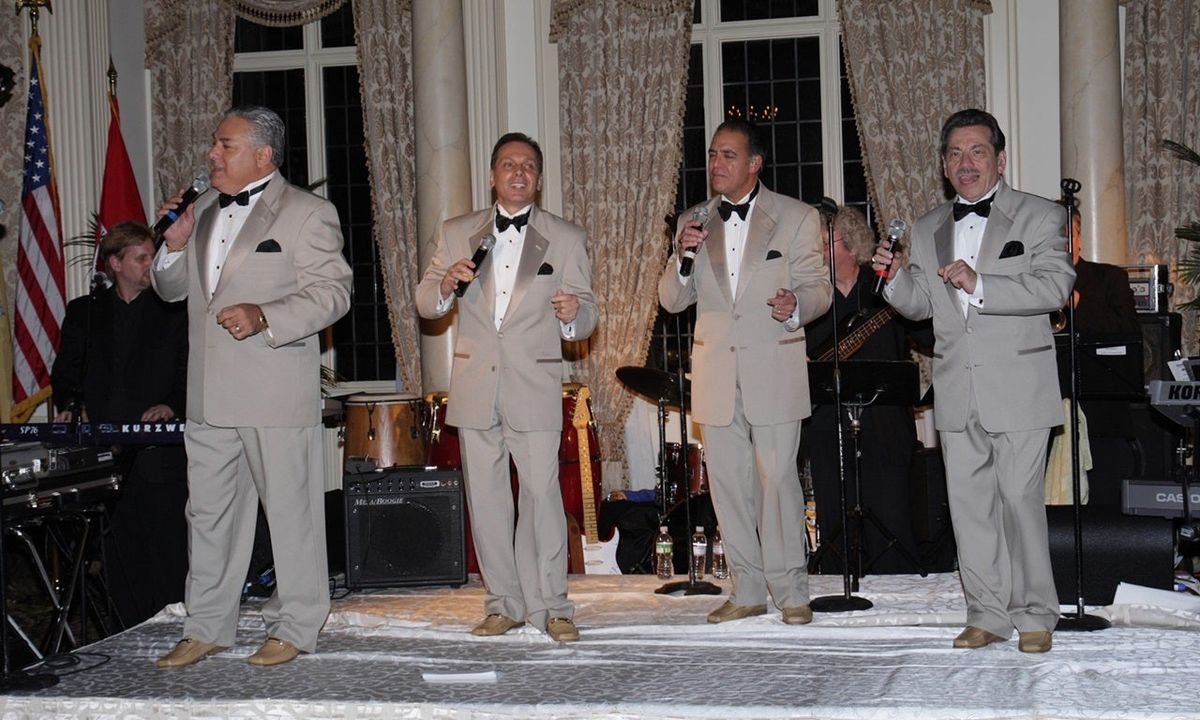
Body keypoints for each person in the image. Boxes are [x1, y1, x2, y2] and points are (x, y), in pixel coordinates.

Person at [151, 105, 352, 668]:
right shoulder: (202, 211)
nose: (212, 154)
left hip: (273, 391)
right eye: (215, 144)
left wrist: (265, 315)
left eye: (226, 145)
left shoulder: (307, 213)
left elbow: (334, 293)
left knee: (290, 514)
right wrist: (174, 244)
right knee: (208, 516)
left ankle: (296, 625)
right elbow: (170, 292)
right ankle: (207, 625)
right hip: (208, 396)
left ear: (264, 155)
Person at [873, 108, 1074, 653]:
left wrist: (980, 282)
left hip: (1019, 387)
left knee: (1020, 502)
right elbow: (921, 305)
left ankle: (1035, 616)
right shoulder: (926, 227)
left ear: (1000, 160)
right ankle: (986, 613)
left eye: (977, 151)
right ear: (943, 165)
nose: (966, 163)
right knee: (968, 507)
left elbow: (1055, 287)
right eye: (955, 154)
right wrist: (893, 280)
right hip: (956, 388)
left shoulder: (1040, 215)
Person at [415, 132, 597, 642]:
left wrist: (573, 314)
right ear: (493, 175)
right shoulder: (457, 232)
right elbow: (426, 301)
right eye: (509, 164)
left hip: (534, 384)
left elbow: (587, 314)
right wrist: (445, 285)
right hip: (475, 384)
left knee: (542, 498)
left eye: (529, 166)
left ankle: (553, 606)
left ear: (539, 179)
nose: (519, 172)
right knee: (489, 501)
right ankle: (503, 604)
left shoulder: (566, 237)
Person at [658, 119, 830, 625]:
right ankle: (748, 589)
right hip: (715, 372)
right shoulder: (694, 219)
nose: (716, 163)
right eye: (713, 154)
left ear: (755, 163)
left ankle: (791, 592)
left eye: (728, 155)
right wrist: (682, 257)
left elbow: (819, 288)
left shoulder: (796, 217)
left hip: (774, 367)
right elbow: (671, 301)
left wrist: (796, 304)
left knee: (778, 482)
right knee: (729, 487)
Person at [50, 220, 189, 626]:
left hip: (159, 456)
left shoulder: (174, 310)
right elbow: (66, 373)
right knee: (117, 548)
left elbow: (190, 370)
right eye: (141, 258)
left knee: (167, 545)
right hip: (105, 454)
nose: (150, 265)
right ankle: (126, 628)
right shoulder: (85, 312)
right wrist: (72, 404)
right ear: (115, 263)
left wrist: (171, 405)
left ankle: (177, 626)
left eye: (152, 257)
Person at [803, 206, 931, 576]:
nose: (818, 250)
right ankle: (835, 583)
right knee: (834, 509)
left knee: (890, 509)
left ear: (852, 244)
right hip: (827, 422)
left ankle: (896, 585)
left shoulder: (884, 287)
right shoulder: (811, 297)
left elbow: (928, 334)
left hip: (885, 423)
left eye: (826, 242)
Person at [1054, 200, 1142, 506]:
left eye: (1068, 234)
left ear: (1079, 236)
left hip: (1101, 417)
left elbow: (1129, 332)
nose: (1062, 242)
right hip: (1046, 415)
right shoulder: (1030, 284)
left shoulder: (1109, 278)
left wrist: (1078, 303)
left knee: (1104, 507)